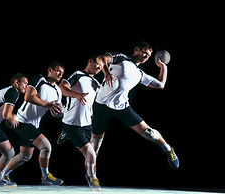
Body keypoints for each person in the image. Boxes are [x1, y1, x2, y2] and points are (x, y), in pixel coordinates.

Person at [91, 42, 179, 171]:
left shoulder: (140, 74)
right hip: (101, 106)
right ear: (136, 49)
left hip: (122, 107)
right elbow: (100, 59)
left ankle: (168, 149)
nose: (146, 56)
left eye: (148, 55)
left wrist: (163, 67)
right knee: (95, 146)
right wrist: (106, 72)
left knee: (148, 133)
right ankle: (91, 175)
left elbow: (160, 84)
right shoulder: (121, 58)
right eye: (144, 52)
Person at [0, 62, 65, 186]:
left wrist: (58, 111)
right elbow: (28, 96)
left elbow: (56, 109)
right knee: (46, 147)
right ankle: (45, 176)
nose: (60, 74)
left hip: (34, 124)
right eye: (58, 70)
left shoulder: (58, 90)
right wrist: (48, 104)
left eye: (62, 72)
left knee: (24, 156)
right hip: (23, 121)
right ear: (50, 70)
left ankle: (0, 177)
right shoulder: (40, 79)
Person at [58, 55, 104, 191]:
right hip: (72, 123)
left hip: (87, 124)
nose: (98, 68)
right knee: (90, 152)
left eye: (101, 68)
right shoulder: (77, 74)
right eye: (97, 65)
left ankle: (65, 134)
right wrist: (76, 94)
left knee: (92, 155)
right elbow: (62, 87)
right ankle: (92, 177)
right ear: (90, 60)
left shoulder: (96, 83)